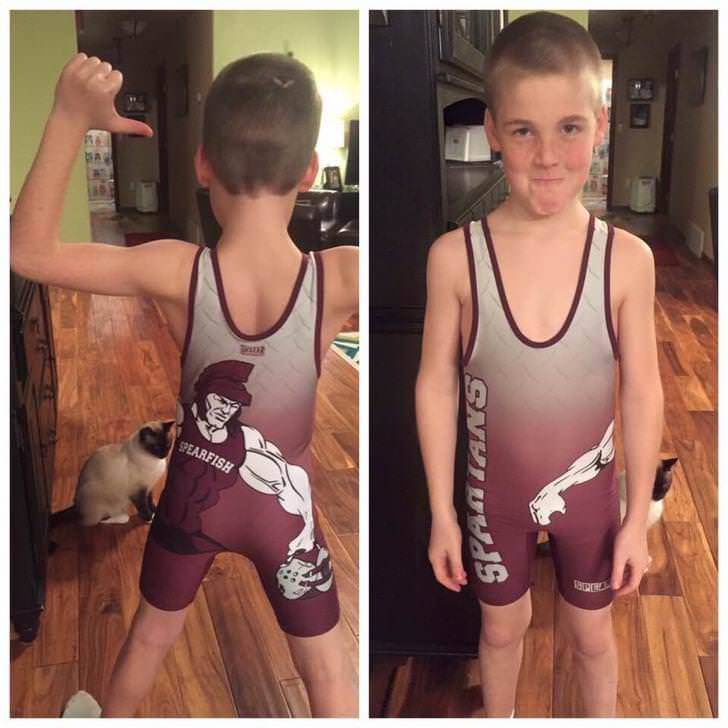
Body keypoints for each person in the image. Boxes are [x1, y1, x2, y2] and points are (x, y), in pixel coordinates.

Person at [11, 51, 358, 717]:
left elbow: (28, 252)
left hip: (195, 506)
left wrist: (69, 115)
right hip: (285, 517)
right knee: (326, 672)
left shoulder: (176, 269)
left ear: (202, 164)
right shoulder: (341, 275)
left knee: (148, 640)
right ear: (310, 170)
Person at [415, 12, 663, 719]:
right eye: (524, 131)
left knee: (592, 636)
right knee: (501, 630)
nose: (548, 155)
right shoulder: (454, 258)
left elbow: (643, 391)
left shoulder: (627, 260)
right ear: (493, 131)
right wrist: (441, 513)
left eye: (569, 128)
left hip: (591, 505)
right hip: (490, 501)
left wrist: (636, 519)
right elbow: (435, 386)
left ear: (601, 125)